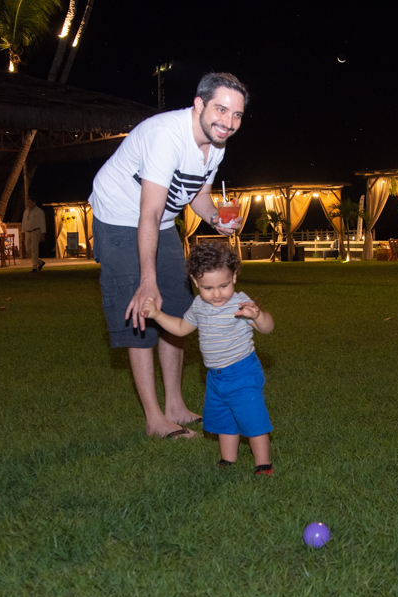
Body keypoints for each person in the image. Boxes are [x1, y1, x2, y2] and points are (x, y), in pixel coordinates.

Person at [88, 72, 248, 439]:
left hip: (160, 221)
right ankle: (155, 418)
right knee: (143, 307)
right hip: (119, 217)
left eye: (237, 115)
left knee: (176, 306)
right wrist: (148, 280)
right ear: (199, 104)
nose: (228, 121)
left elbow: (198, 195)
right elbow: (149, 212)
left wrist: (215, 220)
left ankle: (175, 405)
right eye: (221, 109)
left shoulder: (217, 144)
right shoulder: (165, 136)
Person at [142, 242, 275, 473]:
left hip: (243, 373)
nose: (216, 295)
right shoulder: (198, 305)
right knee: (224, 420)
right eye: (208, 288)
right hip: (215, 377)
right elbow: (182, 327)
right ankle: (227, 460)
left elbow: (267, 328)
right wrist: (157, 315)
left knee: (253, 420)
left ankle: (263, 464)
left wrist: (258, 315)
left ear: (234, 276)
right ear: (195, 282)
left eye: (223, 286)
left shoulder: (240, 303)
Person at [22, 197, 47, 272]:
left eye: (30, 202)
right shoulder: (26, 212)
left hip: (36, 231)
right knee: (28, 249)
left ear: (34, 203)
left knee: (34, 249)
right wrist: (22, 233)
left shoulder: (39, 211)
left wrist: (43, 233)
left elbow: (42, 223)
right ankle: (39, 262)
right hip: (27, 232)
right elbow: (23, 223)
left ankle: (34, 266)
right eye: (27, 203)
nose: (28, 204)